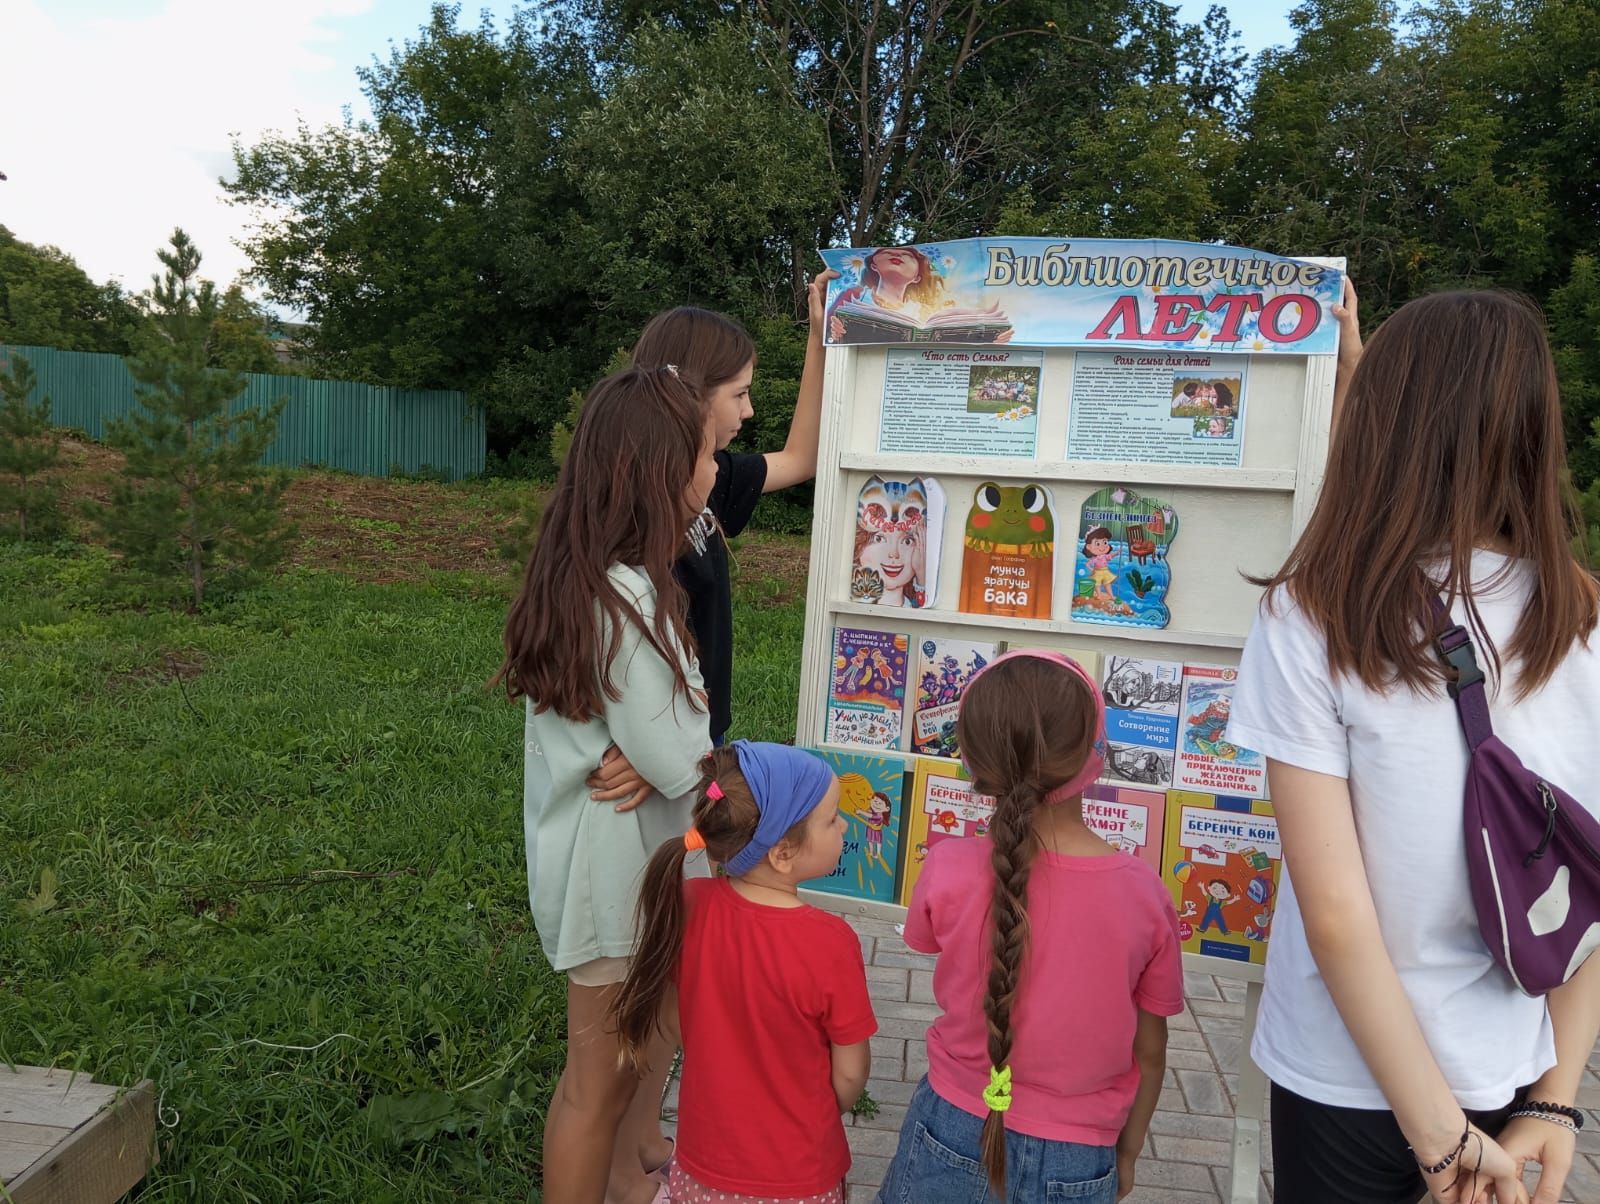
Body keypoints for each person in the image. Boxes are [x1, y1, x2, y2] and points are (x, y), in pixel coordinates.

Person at [1227, 282, 1600, 1204]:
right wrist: (1556, 1101)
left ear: (1380, 427)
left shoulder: (1315, 614)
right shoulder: (1584, 618)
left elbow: (1342, 917)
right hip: (1514, 1065)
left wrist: (1437, 1143)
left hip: (1342, 1075)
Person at [494, 366, 717, 1204]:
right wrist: (703, 759)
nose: (712, 473)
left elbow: (660, 747)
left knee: (610, 1080)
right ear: (661, 474)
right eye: (703, 457)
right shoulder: (627, 598)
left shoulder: (601, 577)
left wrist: (670, 750)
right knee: (597, 1089)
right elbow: (678, 761)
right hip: (612, 885)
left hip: (620, 877)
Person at [876, 650, 1183, 1203]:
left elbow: (926, 939)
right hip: (1080, 1153)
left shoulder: (946, 868)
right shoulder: (1144, 893)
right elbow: (1151, 1048)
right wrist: (1129, 1150)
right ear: (1096, 754)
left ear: (973, 760)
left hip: (951, 1122)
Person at [610, 742, 877, 1204]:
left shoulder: (690, 904)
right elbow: (851, 1075)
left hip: (701, 1168)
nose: (844, 825)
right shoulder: (831, 943)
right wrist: (810, 1111)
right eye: (833, 819)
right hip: (799, 1176)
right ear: (783, 852)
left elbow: (675, 1021)